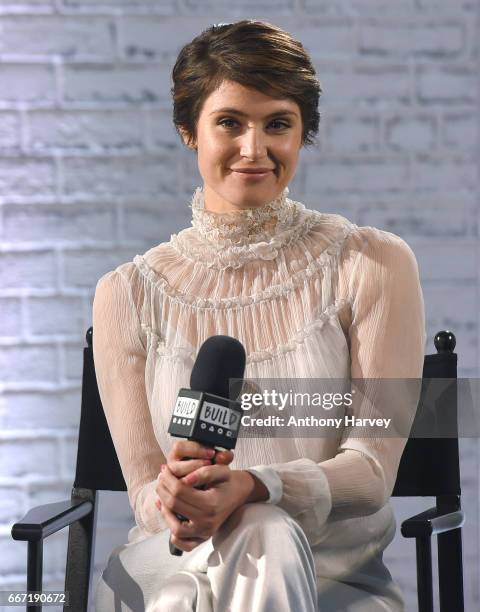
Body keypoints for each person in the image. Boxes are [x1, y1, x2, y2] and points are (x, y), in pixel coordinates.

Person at [91, 19, 426, 612]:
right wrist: (169, 499)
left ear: (303, 134)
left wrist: (255, 486)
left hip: (330, 577)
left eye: (278, 124)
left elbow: (373, 472)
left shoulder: (373, 265)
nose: (255, 148)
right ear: (187, 130)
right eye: (229, 122)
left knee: (262, 528)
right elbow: (144, 494)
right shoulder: (126, 294)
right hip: (175, 565)